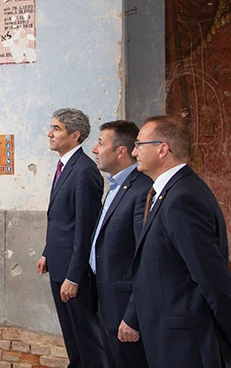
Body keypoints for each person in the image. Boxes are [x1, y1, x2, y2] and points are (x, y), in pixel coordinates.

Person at [121, 115, 231, 367]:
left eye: (140, 144)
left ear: (162, 149)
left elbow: (213, 277)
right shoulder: (169, 192)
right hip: (169, 334)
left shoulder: (183, 199)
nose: (133, 151)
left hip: (186, 341)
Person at [36, 108, 109, 367]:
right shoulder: (65, 166)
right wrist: (47, 252)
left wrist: (74, 276)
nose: (50, 133)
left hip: (73, 273)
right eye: (52, 127)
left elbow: (86, 227)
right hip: (58, 264)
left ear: (75, 135)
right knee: (72, 337)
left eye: (56, 128)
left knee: (87, 338)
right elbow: (62, 217)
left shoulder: (84, 171)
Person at [89, 120, 151, 368]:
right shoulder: (116, 184)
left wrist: (133, 316)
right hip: (106, 300)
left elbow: (145, 260)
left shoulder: (142, 190)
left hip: (125, 307)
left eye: (101, 143)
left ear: (121, 152)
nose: (94, 149)